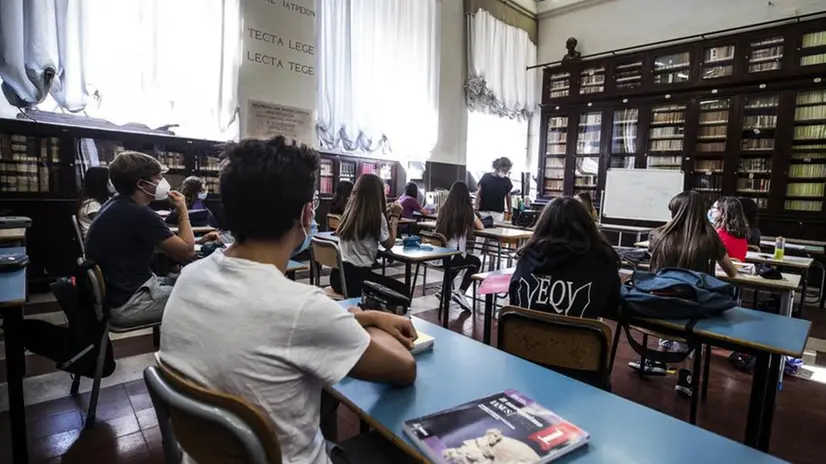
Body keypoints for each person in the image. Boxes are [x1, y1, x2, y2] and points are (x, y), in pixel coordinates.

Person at [159, 136, 417, 464]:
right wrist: (378, 321)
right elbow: (403, 369)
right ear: (307, 213)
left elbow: (273, 325)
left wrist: (363, 317)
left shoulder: (191, 276)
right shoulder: (303, 308)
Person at [85, 152, 216, 327]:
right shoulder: (139, 213)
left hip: (119, 295)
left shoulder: (115, 205)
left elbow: (161, 245)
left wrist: (200, 241)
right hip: (131, 303)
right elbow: (187, 253)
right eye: (158, 177)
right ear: (141, 184)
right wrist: (182, 210)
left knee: (185, 279)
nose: (163, 182)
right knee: (210, 297)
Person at [631, 191, 737, 396]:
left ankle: (660, 359)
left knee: (670, 297)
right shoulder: (710, 237)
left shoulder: (658, 235)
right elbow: (731, 272)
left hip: (658, 306)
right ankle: (686, 376)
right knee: (689, 313)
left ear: (675, 213)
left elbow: (656, 271)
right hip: (695, 310)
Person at [509, 197, 621, 319]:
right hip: (579, 336)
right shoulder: (602, 259)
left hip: (525, 336)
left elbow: (514, 298)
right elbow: (611, 305)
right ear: (587, 225)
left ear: (543, 225)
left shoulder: (527, 257)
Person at [331, 174, 409, 297]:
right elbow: (389, 244)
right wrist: (394, 216)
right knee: (403, 291)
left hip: (337, 277)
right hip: (357, 281)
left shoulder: (348, 212)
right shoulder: (377, 217)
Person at [435, 181, 484, 310]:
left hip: (440, 253)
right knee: (475, 262)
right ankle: (461, 292)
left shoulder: (443, 208)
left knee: (458, 263)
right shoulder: (467, 211)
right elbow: (481, 226)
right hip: (454, 254)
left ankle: (445, 290)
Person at [76, 166, 112, 239]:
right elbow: (105, 226)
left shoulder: (94, 202)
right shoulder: (91, 205)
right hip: (96, 245)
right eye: (109, 180)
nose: (111, 184)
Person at [711, 197, 750, 262]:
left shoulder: (718, 234)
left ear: (721, 211)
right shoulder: (742, 235)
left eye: (713, 207)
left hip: (720, 270)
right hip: (739, 270)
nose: (711, 210)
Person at [475, 157, 513, 222]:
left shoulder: (507, 181)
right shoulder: (486, 177)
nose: (505, 172)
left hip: (498, 214)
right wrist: (476, 207)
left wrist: (510, 211)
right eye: (504, 170)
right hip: (483, 212)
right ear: (498, 167)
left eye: (507, 171)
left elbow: (508, 198)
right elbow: (479, 194)